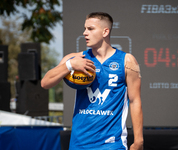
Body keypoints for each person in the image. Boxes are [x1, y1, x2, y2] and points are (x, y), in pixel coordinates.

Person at [41, 12, 143, 150]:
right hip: (80, 143)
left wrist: (138, 141)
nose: (84, 33)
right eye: (84, 28)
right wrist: (70, 66)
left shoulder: (127, 61)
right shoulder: (76, 58)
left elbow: (135, 101)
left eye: (90, 29)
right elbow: (45, 83)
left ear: (105, 31)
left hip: (112, 143)